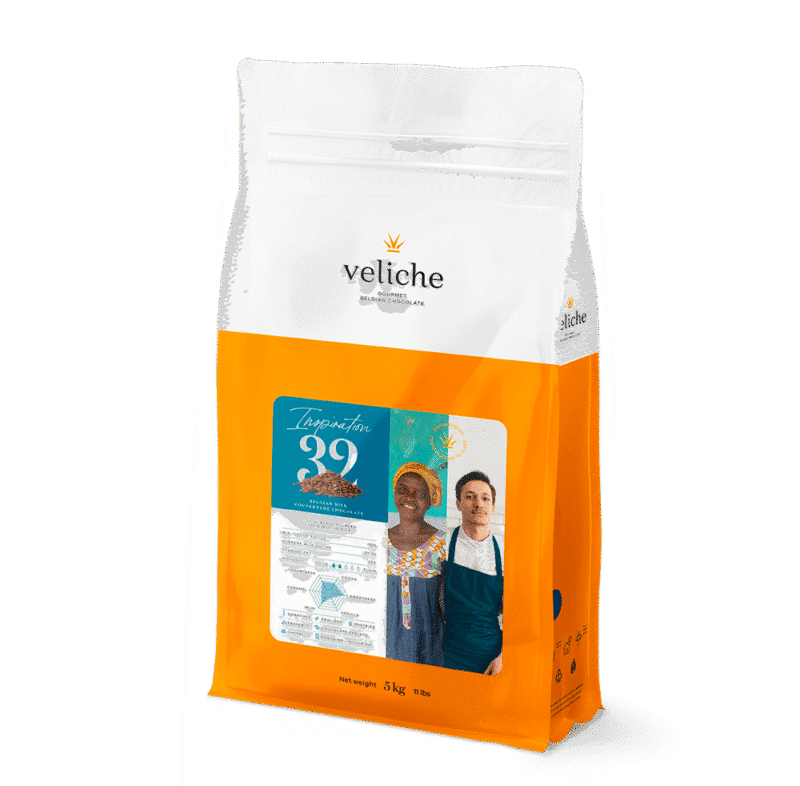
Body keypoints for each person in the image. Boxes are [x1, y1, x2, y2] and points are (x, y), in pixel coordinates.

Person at [386, 462, 446, 666]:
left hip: (428, 648)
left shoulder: (442, 544)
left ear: (430, 501)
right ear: (395, 493)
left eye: (420, 494)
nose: (410, 497)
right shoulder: (378, 540)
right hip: (384, 646)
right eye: (403, 490)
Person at [443, 471, 503, 675]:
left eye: (485, 498)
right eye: (470, 497)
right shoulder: (442, 544)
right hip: (448, 652)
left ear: (493, 507)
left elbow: (518, 615)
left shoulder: (506, 552)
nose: (478, 504)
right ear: (458, 504)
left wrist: (503, 657)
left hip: (491, 656)